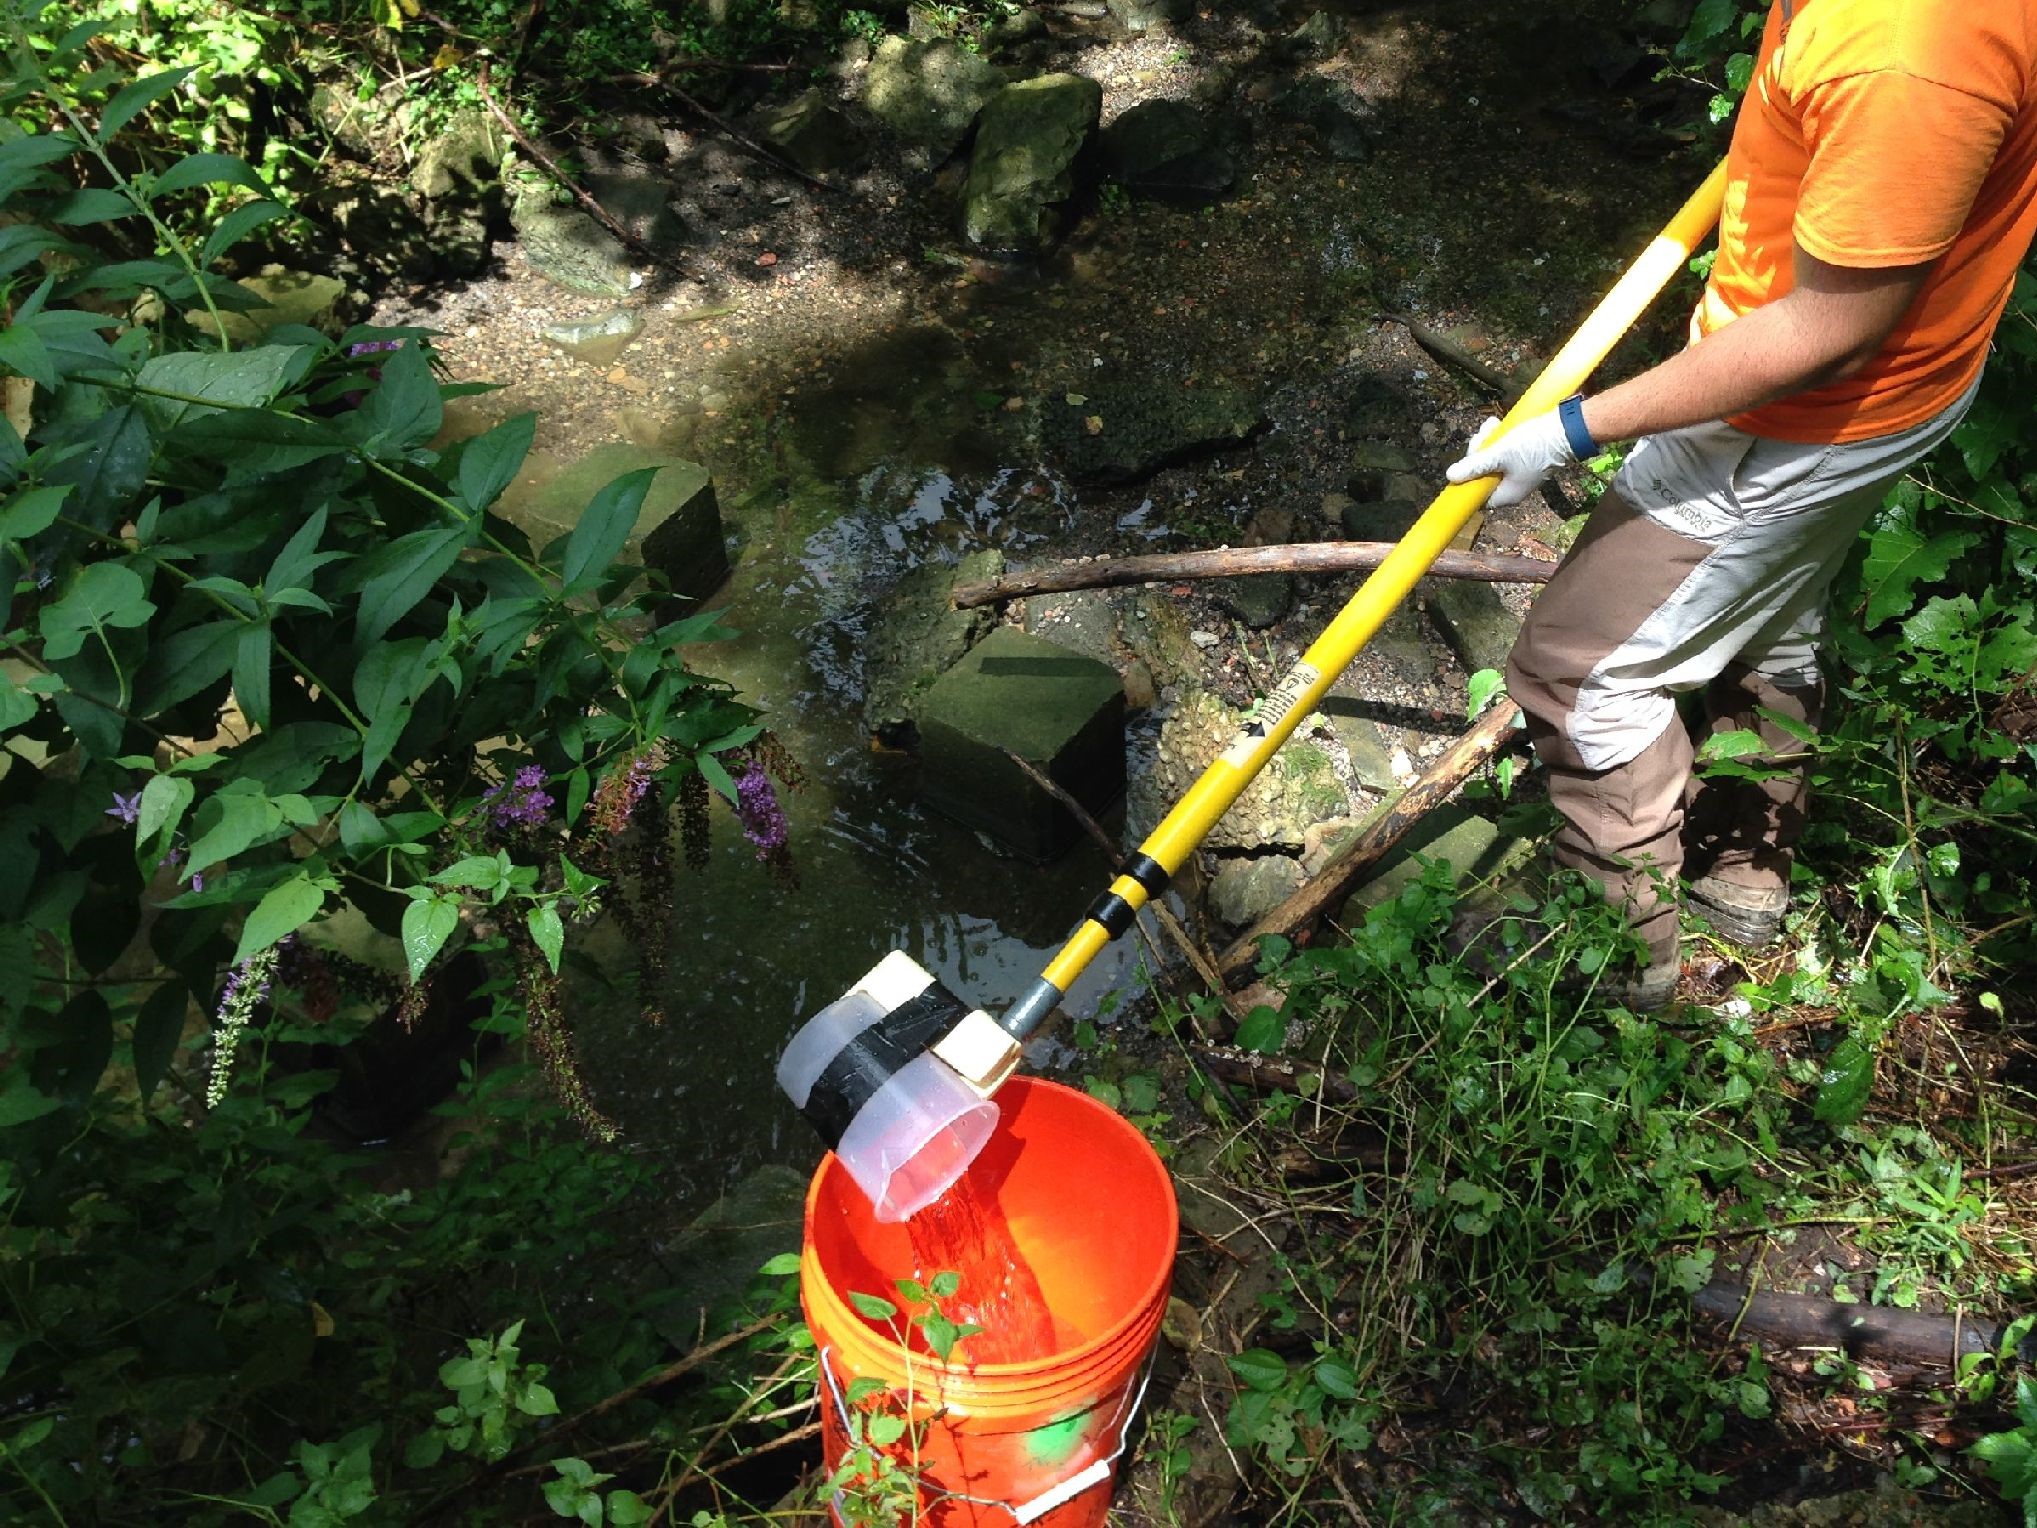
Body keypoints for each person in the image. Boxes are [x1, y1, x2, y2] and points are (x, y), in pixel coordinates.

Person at [1443, 0, 2037, 1010]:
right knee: (1770, 602)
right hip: (1904, 377)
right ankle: (1742, 873)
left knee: (1578, 673)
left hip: (1807, 409)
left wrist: (1570, 431)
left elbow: (1825, 327)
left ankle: (1622, 955)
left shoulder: (1908, 48)